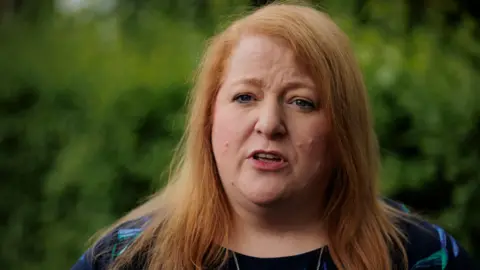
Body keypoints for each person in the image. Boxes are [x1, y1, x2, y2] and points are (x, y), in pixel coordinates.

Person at [71, 2, 477, 270]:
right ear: (209, 118)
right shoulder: (126, 258)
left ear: (342, 128)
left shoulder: (421, 256)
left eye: (302, 102)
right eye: (245, 97)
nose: (269, 123)